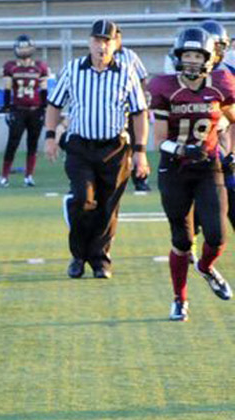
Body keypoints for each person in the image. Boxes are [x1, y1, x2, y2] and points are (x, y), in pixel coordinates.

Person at [45, 19, 149, 279]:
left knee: (107, 206)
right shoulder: (73, 70)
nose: (101, 46)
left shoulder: (126, 72)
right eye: (97, 40)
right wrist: (49, 136)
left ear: (116, 44)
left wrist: (140, 150)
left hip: (115, 148)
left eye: (107, 41)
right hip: (80, 146)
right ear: (89, 42)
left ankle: (100, 259)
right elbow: (54, 104)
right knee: (83, 199)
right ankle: (79, 255)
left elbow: (139, 113)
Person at [150, 26, 235, 320]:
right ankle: (179, 299)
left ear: (209, 58)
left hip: (208, 167)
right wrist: (182, 150)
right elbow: (159, 140)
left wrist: (230, 150)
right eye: (186, 55)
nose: (191, 61)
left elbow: (232, 119)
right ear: (177, 57)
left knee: (217, 236)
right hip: (174, 170)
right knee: (183, 241)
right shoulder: (164, 87)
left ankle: (206, 267)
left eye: (197, 55)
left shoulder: (221, 84)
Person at [0, 35, 51, 188]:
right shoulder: (10, 66)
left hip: (35, 109)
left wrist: (44, 108)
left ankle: (29, 176)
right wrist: (7, 109)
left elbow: (44, 90)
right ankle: (4, 177)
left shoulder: (40, 66)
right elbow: (7, 89)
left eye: (26, 46)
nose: (24, 49)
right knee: (12, 143)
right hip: (18, 109)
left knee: (32, 144)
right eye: (21, 47)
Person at [112, 27, 153, 192]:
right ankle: (113, 178)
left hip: (131, 109)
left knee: (137, 142)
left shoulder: (130, 55)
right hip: (112, 112)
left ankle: (140, 179)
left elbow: (143, 78)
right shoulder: (99, 58)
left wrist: (142, 98)